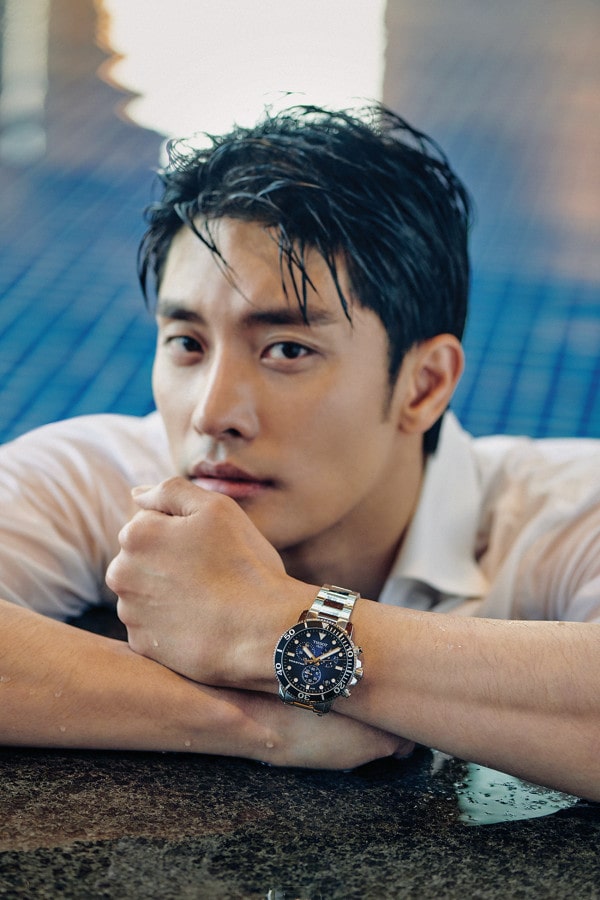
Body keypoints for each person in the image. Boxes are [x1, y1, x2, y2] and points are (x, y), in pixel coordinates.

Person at [1, 105, 598, 800]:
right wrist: (255, 721)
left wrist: (273, 626)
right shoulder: (111, 476)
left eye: (287, 350)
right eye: (187, 343)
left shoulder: (563, 511)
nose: (212, 414)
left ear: (424, 384)